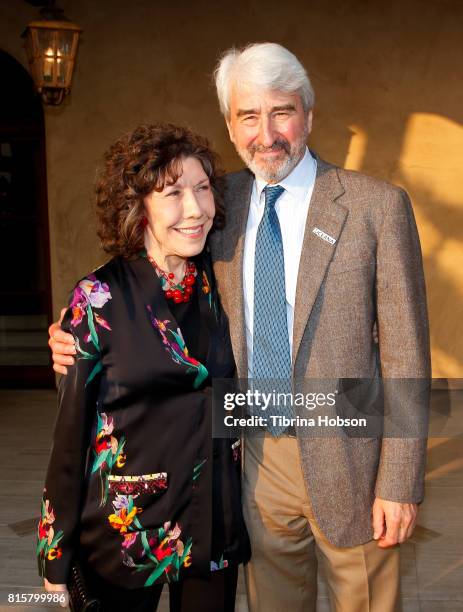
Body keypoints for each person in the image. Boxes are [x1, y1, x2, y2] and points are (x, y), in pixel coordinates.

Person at [49, 43, 431, 612]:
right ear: (230, 126)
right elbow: (151, 274)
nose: (267, 132)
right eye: (249, 116)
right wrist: (72, 326)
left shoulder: (377, 207)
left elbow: (405, 355)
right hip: (251, 463)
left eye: (282, 111)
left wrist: (399, 483)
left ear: (309, 114)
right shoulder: (215, 202)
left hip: (355, 456)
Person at [39, 123, 250, 612]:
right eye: (173, 193)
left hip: (211, 526)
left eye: (202, 189)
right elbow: (70, 436)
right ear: (139, 207)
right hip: (123, 535)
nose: (195, 209)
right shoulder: (98, 299)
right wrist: (55, 550)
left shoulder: (223, 287)